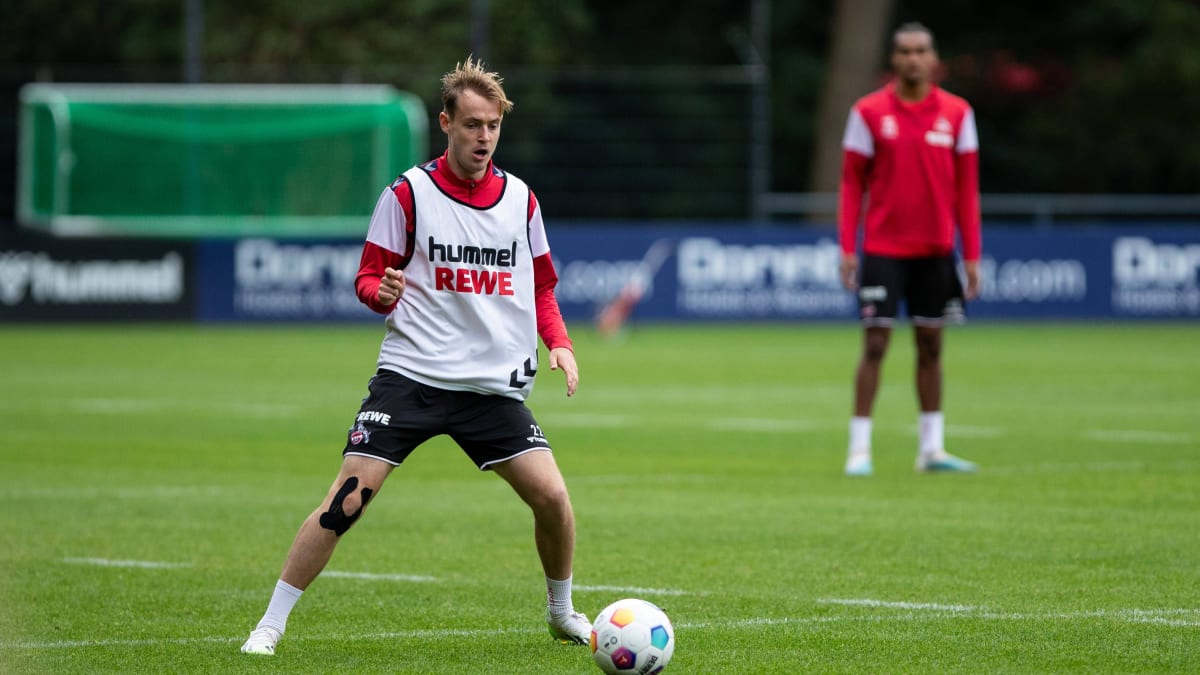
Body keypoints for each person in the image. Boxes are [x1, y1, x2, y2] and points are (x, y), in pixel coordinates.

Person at [240, 57, 592, 655]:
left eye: (494, 126)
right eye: (473, 125)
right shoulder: (408, 194)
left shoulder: (521, 201)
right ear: (446, 122)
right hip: (412, 379)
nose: (484, 137)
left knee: (553, 498)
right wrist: (378, 293)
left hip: (488, 390)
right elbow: (369, 277)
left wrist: (558, 343)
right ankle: (269, 625)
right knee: (344, 504)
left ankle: (561, 611)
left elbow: (541, 287)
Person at [837, 22, 982, 476]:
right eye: (905, 51)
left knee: (931, 345)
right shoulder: (868, 112)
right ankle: (859, 450)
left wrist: (972, 254)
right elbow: (849, 184)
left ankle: (931, 450)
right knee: (876, 344)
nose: (913, 58)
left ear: (934, 58)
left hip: (936, 250)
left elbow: (967, 190)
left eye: (921, 50)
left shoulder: (958, 113)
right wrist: (847, 247)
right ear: (894, 59)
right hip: (882, 248)